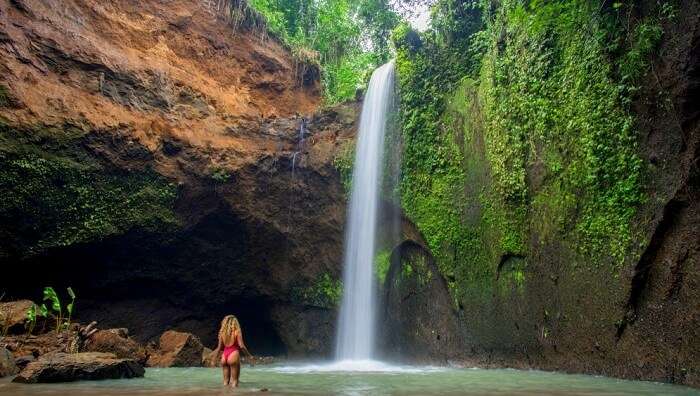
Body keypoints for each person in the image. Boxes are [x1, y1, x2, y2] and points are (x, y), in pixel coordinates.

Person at [213, 315, 252, 387]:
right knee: (234, 381)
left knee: (225, 382)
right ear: (235, 322)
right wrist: (249, 355)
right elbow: (242, 346)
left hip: (224, 356)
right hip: (233, 354)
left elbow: (219, 348)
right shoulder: (237, 331)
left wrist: (214, 359)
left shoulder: (222, 333)